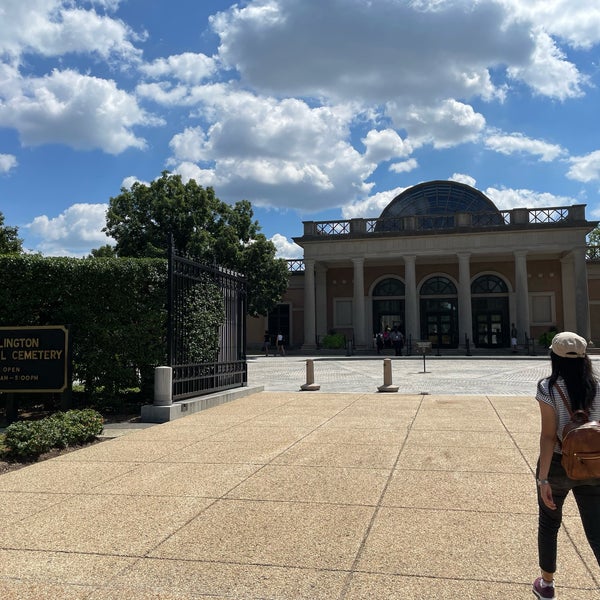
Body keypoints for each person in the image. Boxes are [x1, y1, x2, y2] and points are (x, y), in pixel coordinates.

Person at [533, 331, 600, 599]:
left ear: (553, 356)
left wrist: (543, 479)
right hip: (593, 464)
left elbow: (549, 436)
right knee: (597, 529)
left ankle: (547, 584)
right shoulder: (596, 386)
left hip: (560, 463)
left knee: (549, 524)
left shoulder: (547, 388)